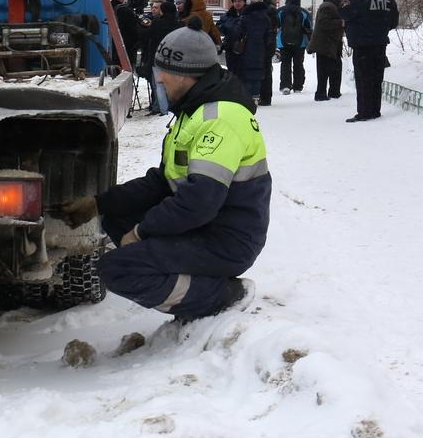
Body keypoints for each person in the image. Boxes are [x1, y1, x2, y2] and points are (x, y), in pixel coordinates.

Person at [58, 20, 268, 322]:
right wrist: (99, 204)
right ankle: (194, 283)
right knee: (117, 215)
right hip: (209, 227)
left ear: (185, 74)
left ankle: (218, 296)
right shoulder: (194, 110)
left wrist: (140, 233)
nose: (159, 80)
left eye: (161, 72)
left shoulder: (221, 119)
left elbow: (199, 202)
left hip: (228, 240)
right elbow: (162, 181)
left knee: (117, 268)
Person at [339, 0, 400, 122]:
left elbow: (344, 14)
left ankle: (364, 112)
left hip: (362, 45)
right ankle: (375, 110)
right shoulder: (389, 1)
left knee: (363, 79)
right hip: (380, 44)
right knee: (376, 78)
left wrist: (350, 0)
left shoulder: (359, 1)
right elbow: (393, 22)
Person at [225, 0, 273, 104]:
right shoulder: (266, 18)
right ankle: (256, 95)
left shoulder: (245, 17)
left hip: (246, 49)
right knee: (257, 72)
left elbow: (237, 33)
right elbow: (269, 36)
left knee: (246, 72)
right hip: (260, 49)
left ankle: (247, 96)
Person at [140, 0, 183, 115]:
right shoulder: (179, 24)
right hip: (175, 56)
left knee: (159, 84)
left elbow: (145, 35)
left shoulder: (157, 23)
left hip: (158, 56)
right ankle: (173, 106)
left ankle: (163, 109)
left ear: (162, 10)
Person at [308, 0, 348, 101]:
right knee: (324, 70)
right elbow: (323, 23)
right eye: (345, 1)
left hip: (331, 43)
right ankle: (322, 94)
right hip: (325, 44)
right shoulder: (328, 6)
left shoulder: (332, 6)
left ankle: (333, 92)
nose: (345, 4)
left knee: (333, 68)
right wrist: (341, 23)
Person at [275, 0, 312, 95]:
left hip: (283, 42)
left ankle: (285, 85)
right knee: (298, 64)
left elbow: (276, 26)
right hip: (300, 43)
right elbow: (308, 27)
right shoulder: (304, 12)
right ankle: (298, 86)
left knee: (285, 63)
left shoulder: (281, 11)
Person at [250, 0, 279, 106]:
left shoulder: (270, 9)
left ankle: (266, 97)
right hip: (254, 44)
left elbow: (275, 26)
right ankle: (256, 94)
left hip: (267, 44)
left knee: (266, 71)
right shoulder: (250, 7)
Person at [110, 0, 142, 68]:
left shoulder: (107, 7)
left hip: (111, 44)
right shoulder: (124, 10)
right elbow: (133, 28)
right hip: (125, 45)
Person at [216, 0, 247, 72]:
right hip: (230, 49)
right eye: (235, 1)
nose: (237, 3)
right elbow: (219, 29)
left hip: (245, 49)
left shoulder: (249, 14)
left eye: (239, 1)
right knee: (232, 71)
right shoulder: (227, 16)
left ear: (244, 2)